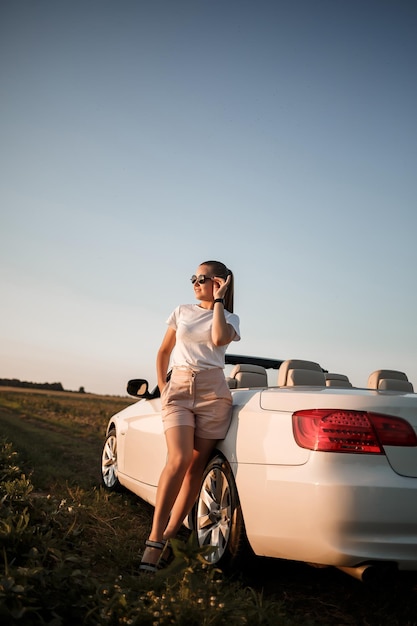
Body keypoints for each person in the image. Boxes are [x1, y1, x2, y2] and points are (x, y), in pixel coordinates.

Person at [139, 260, 241, 572]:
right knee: (179, 459)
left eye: (203, 278)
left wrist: (220, 302)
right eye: (193, 278)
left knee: (195, 469)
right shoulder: (181, 311)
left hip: (214, 393)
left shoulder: (229, 317)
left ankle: (171, 536)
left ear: (220, 282)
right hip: (180, 387)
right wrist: (163, 386)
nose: (196, 282)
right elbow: (163, 351)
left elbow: (220, 340)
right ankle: (154, 539)